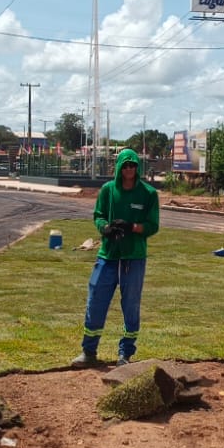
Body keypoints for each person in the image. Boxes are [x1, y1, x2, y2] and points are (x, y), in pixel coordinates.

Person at [73, 148, 159, 367]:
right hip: (108, 256)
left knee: (131, 305)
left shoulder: (148, 193)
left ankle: (125, 354)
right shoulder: (108, 190)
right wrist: (105, 229)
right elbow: (99, 215)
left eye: (133, 166)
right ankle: (89, 352)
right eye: (125, 166)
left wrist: (132, 227)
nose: (129, 169)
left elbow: (152, 225)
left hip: (133, 257)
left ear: (137, 168)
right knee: (96, 301)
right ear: (119, 167)